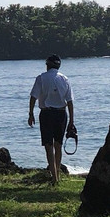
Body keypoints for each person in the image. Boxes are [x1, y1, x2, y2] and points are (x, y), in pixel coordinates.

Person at [28, 54, 74, 184]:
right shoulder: (64, 79)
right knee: (58, 145)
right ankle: (57, 174)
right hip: (61, 114)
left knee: (48, 145)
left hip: (46, 114)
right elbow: (70, 101)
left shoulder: (41, 78)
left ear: (47, 65)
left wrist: (30, 113)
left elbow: (33, 97)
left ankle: (54, 176)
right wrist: (71, 121)